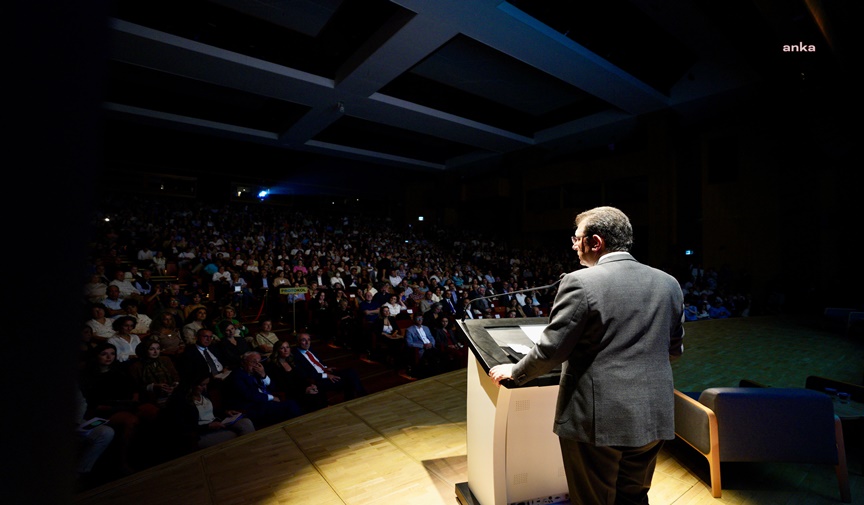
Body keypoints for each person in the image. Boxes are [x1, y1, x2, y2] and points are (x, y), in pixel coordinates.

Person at [488, 206, 685, 505]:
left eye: (576, 238)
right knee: (633, 496)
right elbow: (674, 350)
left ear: (596, 242)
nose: (573, 245)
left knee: (593, 499)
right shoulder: (669, 283)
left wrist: (516, 372)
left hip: (598, 421)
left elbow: (552, 349)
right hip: (653, 414)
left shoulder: (580, 281)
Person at [161, 373, 255, 452]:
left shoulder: (203, 394)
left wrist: (226, 412)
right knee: (232, 435)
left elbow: (210, 411)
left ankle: (252, 450)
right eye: (201, 385)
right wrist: (208, 426)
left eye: (206, 384)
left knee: (246, 423)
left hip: (215, 424)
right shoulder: (181, 402)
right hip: (200, 433)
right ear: (191, 385)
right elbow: (183, 427)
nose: (204, 388)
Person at [222, 351, 304, 428]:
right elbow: (250, 395)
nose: (257, 365)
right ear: (243, 363)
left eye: (259, 362)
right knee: (290, 406)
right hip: (252, 407)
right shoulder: (237, 376)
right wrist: (271, 397)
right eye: (253, 362)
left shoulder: (257, 371)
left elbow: (273, 387)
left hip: (264, 402)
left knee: (293, 402)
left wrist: (263, 375)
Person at [295, 333, 367, 402]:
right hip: (319, 379)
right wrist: (326, 375)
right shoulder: (297, 356)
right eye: (304, 340)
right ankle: (359, 398)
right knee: (348, 380)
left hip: (326, 371)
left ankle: (361, 396)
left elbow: (318, 362)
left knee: (351, 371)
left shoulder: (310, 349)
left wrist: (325, 368)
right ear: (298, 342)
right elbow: (308, 374)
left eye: (309, 339)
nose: (307, 342)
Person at [265, 340, 327, 412]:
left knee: (319, 390)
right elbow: (282, 386)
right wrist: (305, 390)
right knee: (313, 397)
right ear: (277, 350)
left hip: (301, 388)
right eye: (282, 348)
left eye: (287, 347)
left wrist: (311, 385)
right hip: (291, 393)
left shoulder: (291, 361)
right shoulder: (273, 366)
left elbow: (301, 378)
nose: (286, 350)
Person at [127, 340, 180, 408]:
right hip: (150, 397)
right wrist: (153, 386)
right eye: (151, 349)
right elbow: (136, 387)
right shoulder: (136, 366)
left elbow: (175, 376)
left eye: (158, 349)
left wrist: (175, 385)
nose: (156, 352)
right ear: (144, 350)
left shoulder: (165, 360)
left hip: (171, 394)